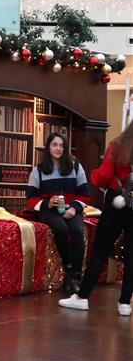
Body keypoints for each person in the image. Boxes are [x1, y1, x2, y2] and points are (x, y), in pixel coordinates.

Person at [59, 122, 133, 316]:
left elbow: (103, 176)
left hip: (115, 204)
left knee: (100, 251)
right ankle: (125, 303)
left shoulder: (118, 146)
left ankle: (82, 298)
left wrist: (94, 175)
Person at [25, 132, 90, 294]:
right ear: (48, 147)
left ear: (65, 148)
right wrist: (48, 203)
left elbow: (84, 194)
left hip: (71, 209)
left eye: (62, 145)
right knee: (61, 228)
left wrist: (74, 208)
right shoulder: (38, 170)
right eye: (54, 145)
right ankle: (68, 269)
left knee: (76, 230)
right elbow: (30, 199)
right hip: (49, 211)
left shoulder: (75, 166)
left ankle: (76, 276)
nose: (58, 148)